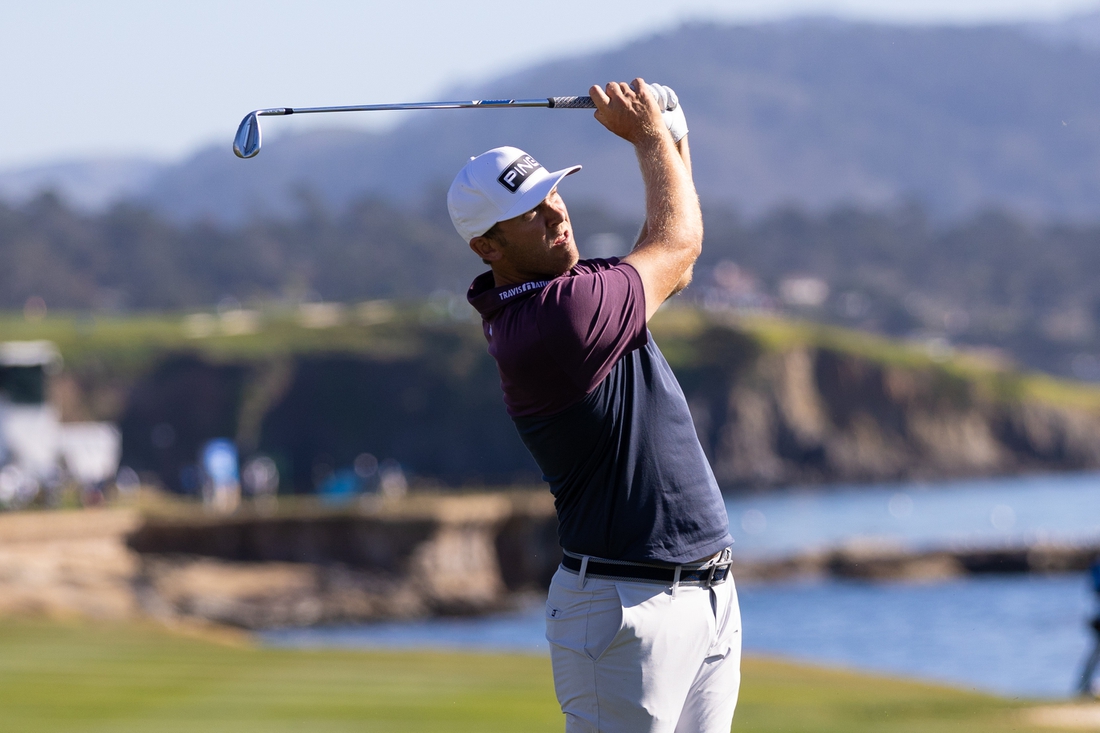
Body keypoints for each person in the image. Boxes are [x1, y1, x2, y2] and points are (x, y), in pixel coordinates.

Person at [447, 78, 739, 733]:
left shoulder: (568, 291)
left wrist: (673, 134)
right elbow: (679, 245)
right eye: (531, 210)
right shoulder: (559, 320)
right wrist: (651, 136)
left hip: (702, 592)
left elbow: (676, 259)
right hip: (625, 607)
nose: (557, 212)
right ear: (487, 248)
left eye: (553, 191)